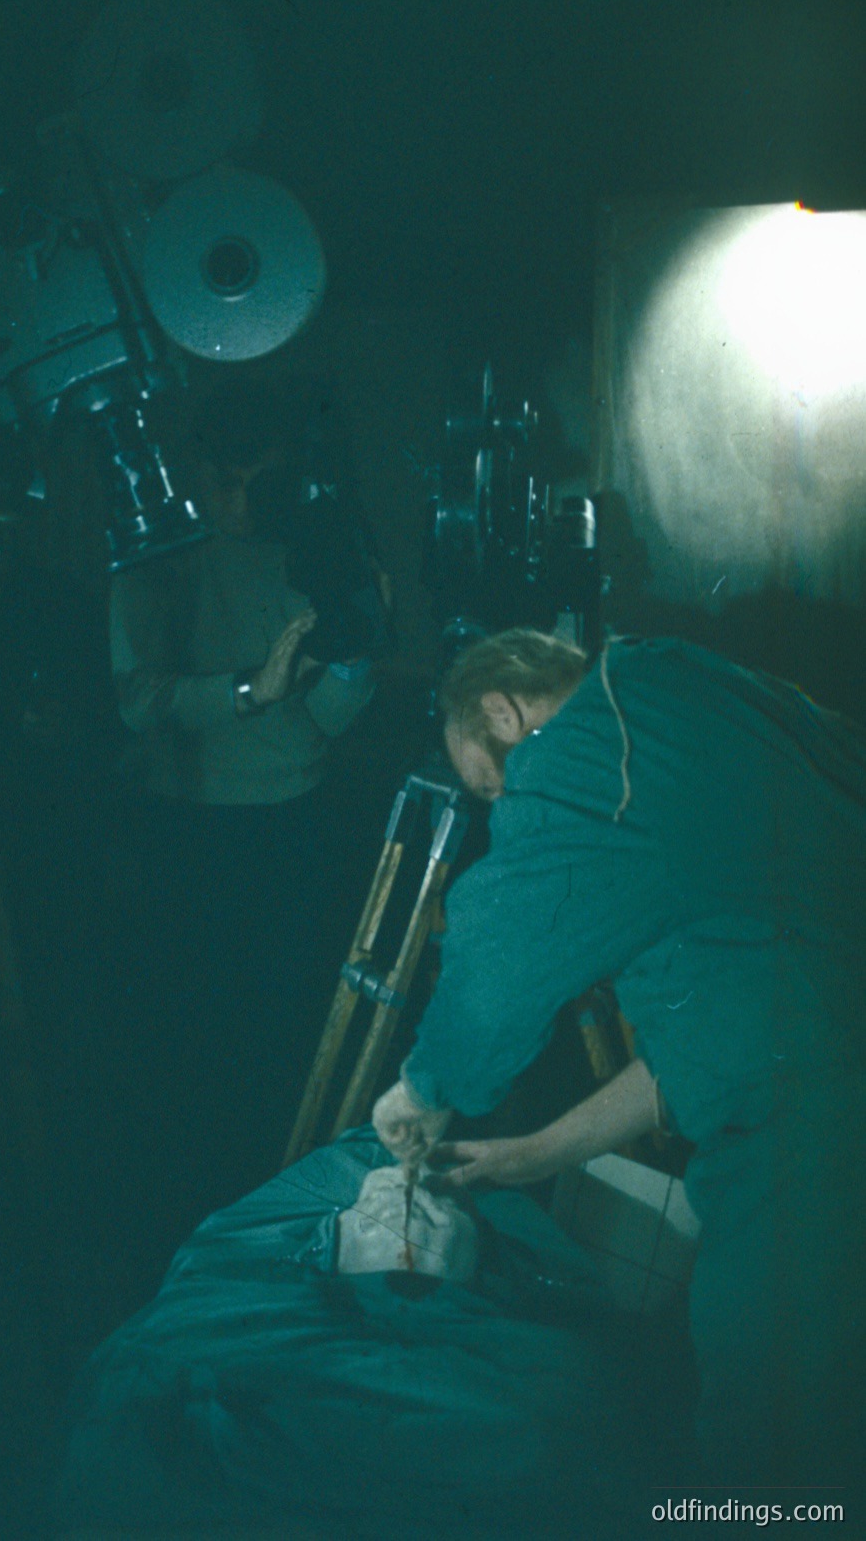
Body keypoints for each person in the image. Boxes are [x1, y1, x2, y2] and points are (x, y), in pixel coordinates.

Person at [372, 627, 866, 1490]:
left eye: (492, 783)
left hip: (821, 1140)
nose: (504, 806)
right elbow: (725, 1040)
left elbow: (499, 964)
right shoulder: (697, 691)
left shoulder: (585, 753)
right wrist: (534, 1152)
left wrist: (422, 1088)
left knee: (773, 1432)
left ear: (503, 710)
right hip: (821, 1066)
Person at [107, 379, 379, 1248]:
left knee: (277, 1042)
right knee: (180, 1042)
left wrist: (352, 655)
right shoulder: (155, 553)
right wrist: (244, 691)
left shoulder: (306, 549)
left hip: (287, 824)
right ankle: (170, 1231)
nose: (239, 505)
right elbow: (136, 699)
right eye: (224, 483)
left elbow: (327, 718)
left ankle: (264, 1230)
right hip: (183, 825)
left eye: (259, 484)